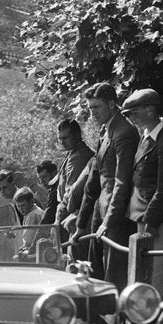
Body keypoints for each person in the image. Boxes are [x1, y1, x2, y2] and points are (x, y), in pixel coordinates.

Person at [74, 83, 139, 290]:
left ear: (112, 104)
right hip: (99, 211)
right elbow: (94, 181)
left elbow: (122, 181)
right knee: (94, 270)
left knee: (115, 275)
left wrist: (109, 221)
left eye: (97, 107)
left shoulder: (124, 131)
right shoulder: (106, 130)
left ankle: (116, 318)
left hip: (117, 215)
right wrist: (80, 225)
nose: (92, 113)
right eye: (90, 108)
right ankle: (98, 316)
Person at [121, 88, 163, 296]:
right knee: (147, 272)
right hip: (142, 214)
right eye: (128, 114)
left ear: (150, 110)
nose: (131, 118)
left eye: (134, 112)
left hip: (154, 219)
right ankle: (154, 317)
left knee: (155, 273)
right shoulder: (146, 137)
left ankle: (157, 318)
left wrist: (151, 221)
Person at [57, 118, 96, 256]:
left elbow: (72, 193)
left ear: (77, 135)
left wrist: (61, 216)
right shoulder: (74, 152)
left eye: (66, 137)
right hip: (78, 216)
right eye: (60, 138)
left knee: (75, 263)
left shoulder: (78, 156)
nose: (62, 141)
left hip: (76, 217)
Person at [13, 186, 44, 259]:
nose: (21, 209)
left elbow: (31, 240)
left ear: (31, 202)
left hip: (37, 254)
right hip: (29, 252)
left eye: (23, 205)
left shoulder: (35, 215)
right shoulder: (28, 214)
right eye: (18, 206)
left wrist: (26, 248)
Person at [35, 160, 59, 226]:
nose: (42, 181)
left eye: (44, 177)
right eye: (40, 178)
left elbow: (49, 216)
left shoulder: (57, 189)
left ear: (54, 173)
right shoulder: (53, 189)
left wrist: (39, 233)